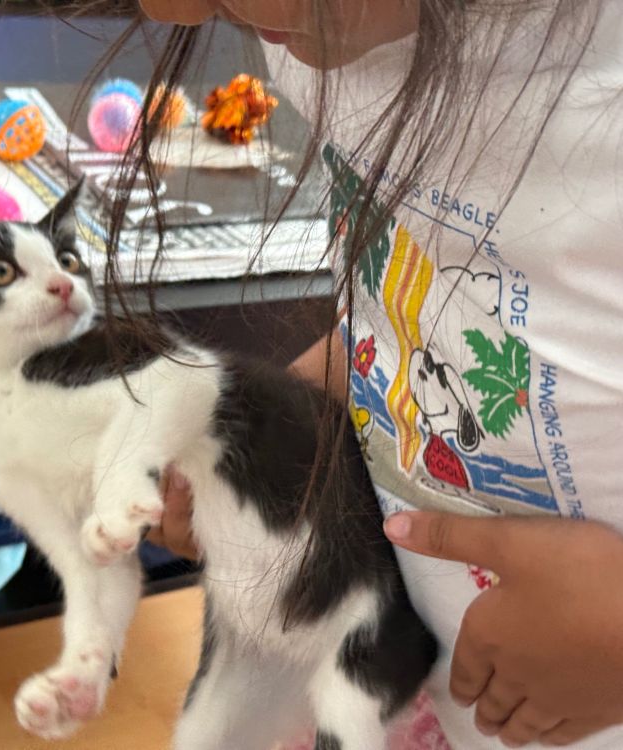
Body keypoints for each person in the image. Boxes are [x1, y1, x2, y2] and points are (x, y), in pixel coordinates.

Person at [121, 1, 623, 748]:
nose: (176, 10)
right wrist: (280, 425)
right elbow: (410, 314)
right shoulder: (319, 35)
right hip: (437, 691)